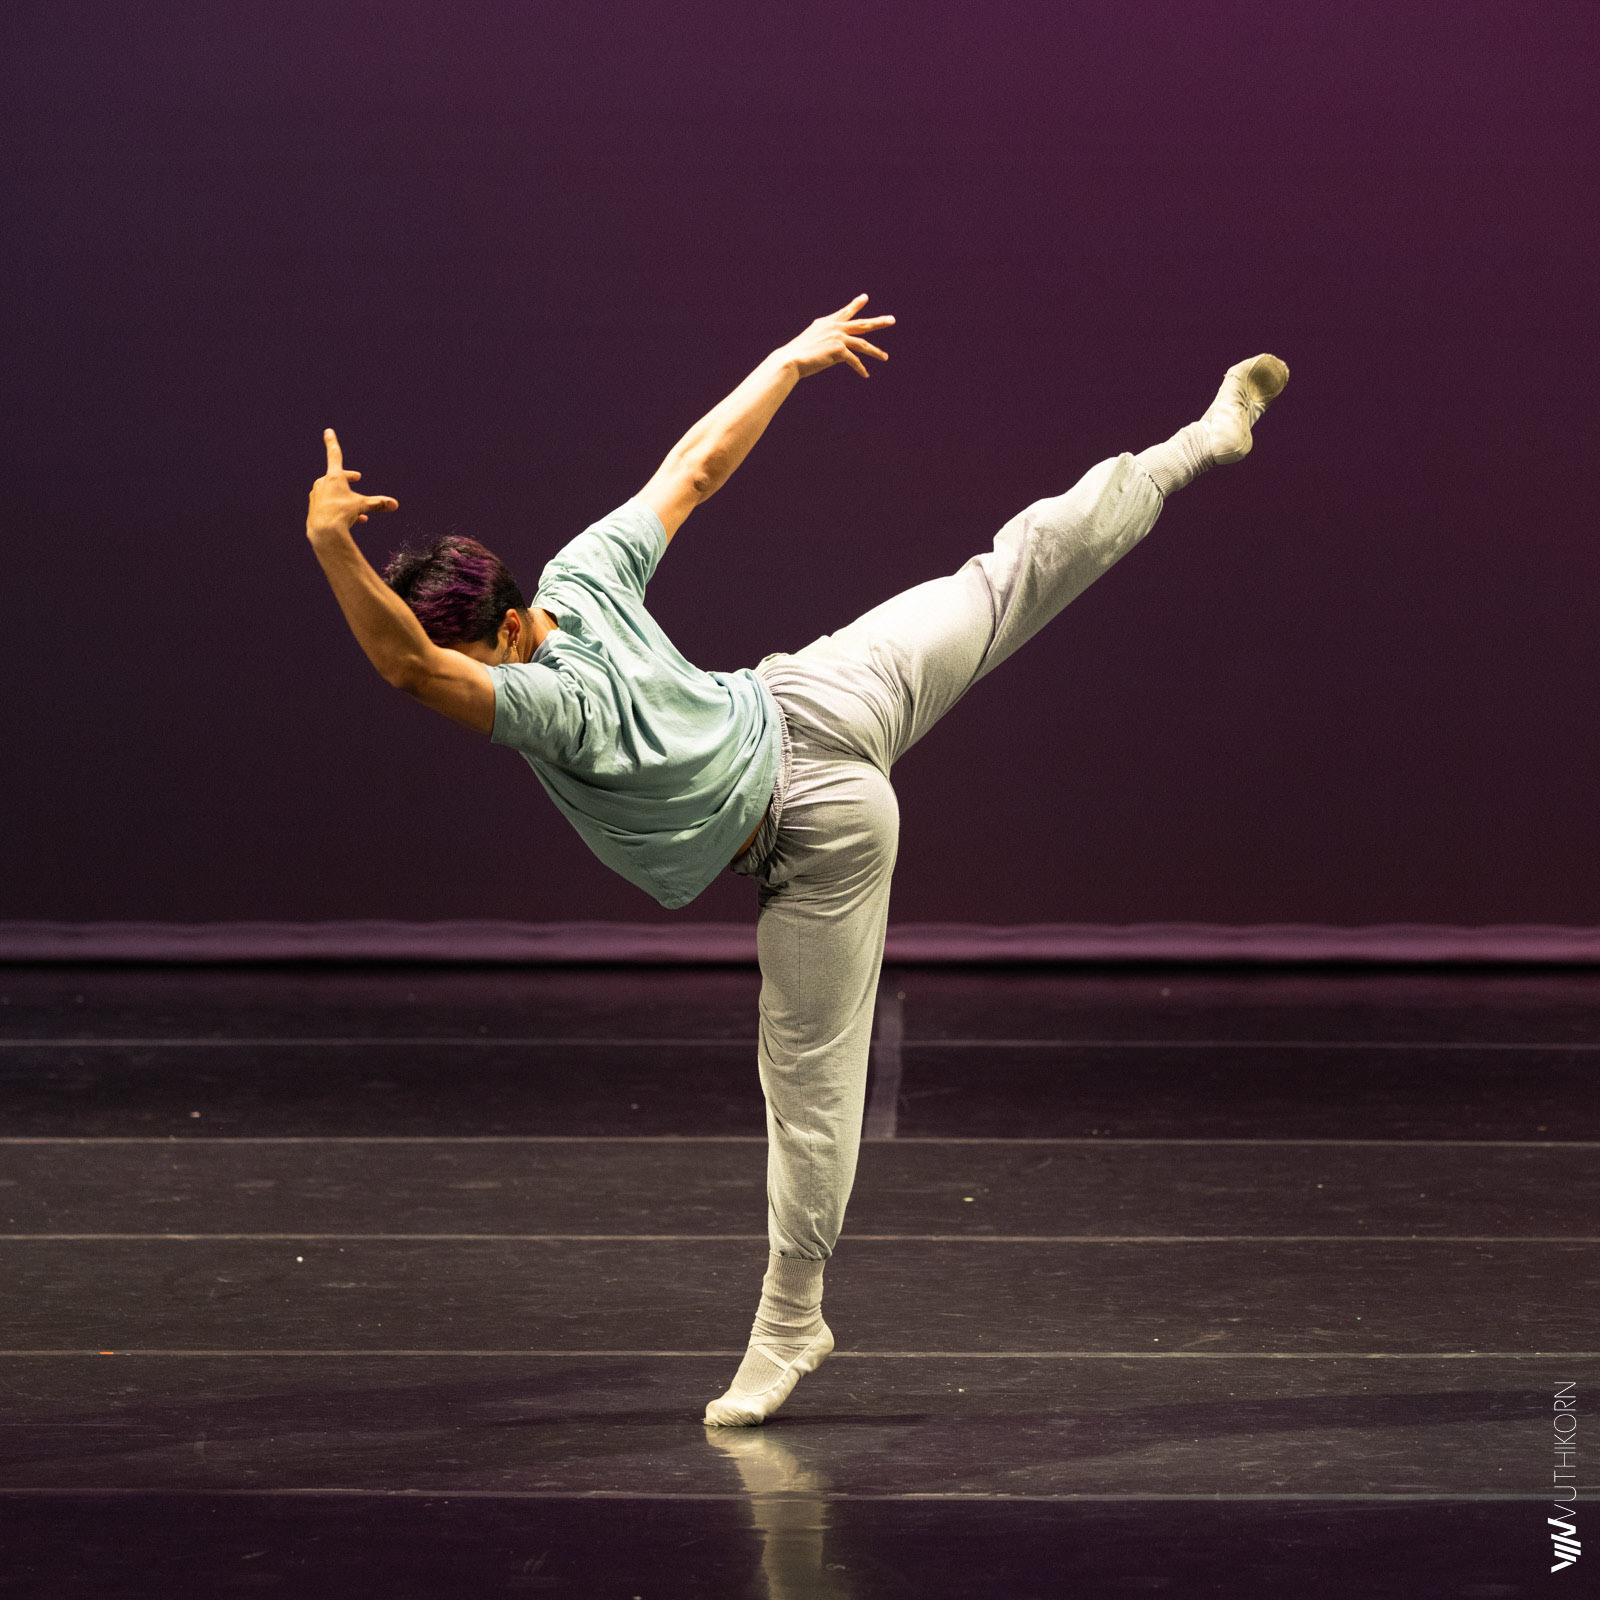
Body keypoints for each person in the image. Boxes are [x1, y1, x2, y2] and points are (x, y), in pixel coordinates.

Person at [304, 295, 1289, 1427]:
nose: (461, 682)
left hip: (810, 834)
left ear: (508, 630)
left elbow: (409, 671)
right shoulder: (578, 576)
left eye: (469, 659)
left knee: (810, 1084)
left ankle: (790, 1325)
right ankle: (1193, 445)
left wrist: (331, 547)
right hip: (815, 693)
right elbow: (693, 468)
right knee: (1002, 576)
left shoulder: (548, 705)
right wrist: (785, 362)